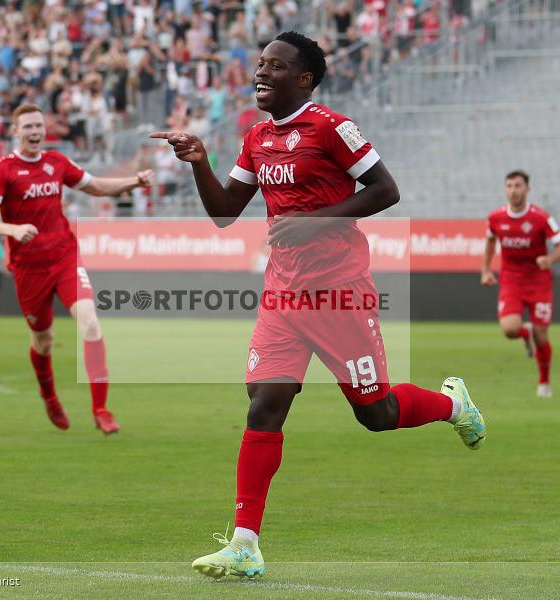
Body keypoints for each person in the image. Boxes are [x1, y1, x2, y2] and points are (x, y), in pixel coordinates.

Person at [151, 31, 487, 580]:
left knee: (375, 413)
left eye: (275, 66)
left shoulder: (332, 127)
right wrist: (199, 163)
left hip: (339, 292)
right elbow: (224, 212)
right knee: (264, 404)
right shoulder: (256, 136)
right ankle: (244, 543)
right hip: (283, 296)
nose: (262, 72)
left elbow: (385, 189)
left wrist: (314, 222)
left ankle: (453, 406)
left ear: (304, 79)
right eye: (261, 63)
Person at [0, 104, 155, 435]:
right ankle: (50, 397)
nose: (35, 132)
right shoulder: (1, 170)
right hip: (28, 269)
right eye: (28, 126)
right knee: (43, 340)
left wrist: (134, 181)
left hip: (64, 258)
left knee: (90, 323)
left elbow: (95, 186)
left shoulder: (57, 162)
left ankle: (101, 409)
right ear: (15, 131)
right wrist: (12, 229)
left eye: (39, 126)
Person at [482, 170, 560, 398]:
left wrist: (549, 259)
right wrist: (486, 270)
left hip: (539, 282)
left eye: (518, 186)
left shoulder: (541, 217)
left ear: (528, 189)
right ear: (505, 189)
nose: (513, 191)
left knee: (541, 336)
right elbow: (490, 241)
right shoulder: (496, 218)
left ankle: (544, 382)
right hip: (511, 281)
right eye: (509, 186)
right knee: (510, 329)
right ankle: (524, 333)